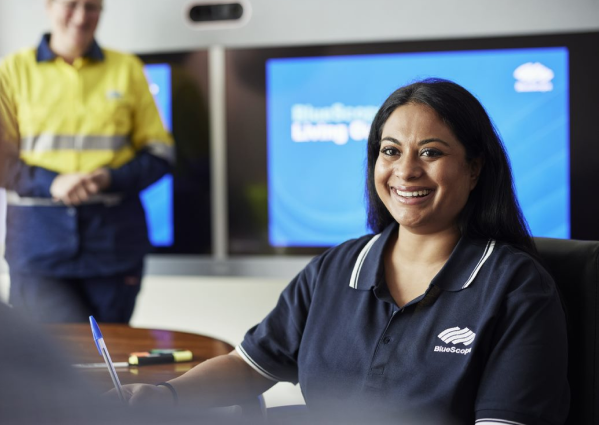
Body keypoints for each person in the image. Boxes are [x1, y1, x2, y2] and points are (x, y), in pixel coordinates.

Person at [120, 79, 570, 424]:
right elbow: (250, 364)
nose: (406, 171)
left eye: (430, 152)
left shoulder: (515, 287)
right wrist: (161, 397)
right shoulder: (337, 268)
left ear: (474, 169)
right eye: (389, 151)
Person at [0, 0, 174, 323]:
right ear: (48, 6)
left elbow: (160, 155)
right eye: (70, 4)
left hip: (114, 247)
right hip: (38, 248)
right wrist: (52, 183)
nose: (80, 16)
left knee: (109, 366)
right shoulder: (13, 71)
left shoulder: (128, 69)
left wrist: (108, 177)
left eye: (91, 7)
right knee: (45, 365)